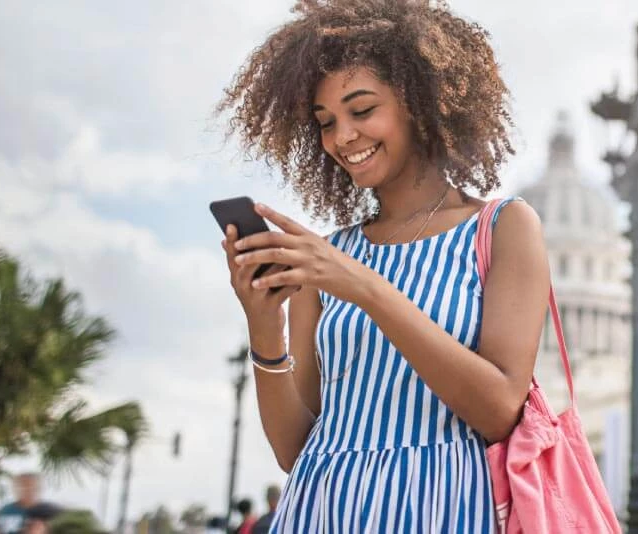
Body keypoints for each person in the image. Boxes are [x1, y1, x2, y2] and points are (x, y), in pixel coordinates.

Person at [217, 0, 550, 531]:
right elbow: (293, 447)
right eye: (325, 122)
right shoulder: (329, 255)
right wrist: (264, 327)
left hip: (443, 507)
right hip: (320, 509)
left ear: (420, 102)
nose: (342, 136)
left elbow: (499, 411)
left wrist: (367, 289)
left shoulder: (504, 227)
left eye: (362, 109)